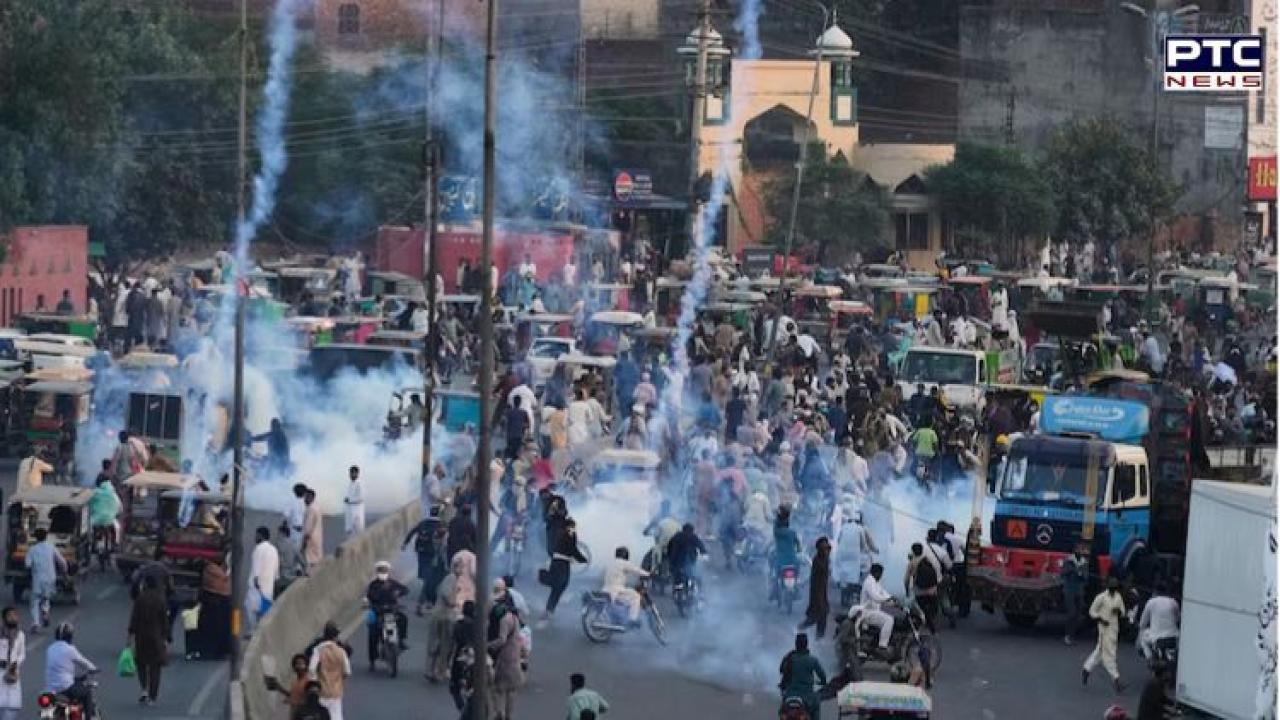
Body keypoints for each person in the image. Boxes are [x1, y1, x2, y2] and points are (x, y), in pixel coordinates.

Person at [128, 575, 170, 704]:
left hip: (141, 637)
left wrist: (129, 637)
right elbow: (164, 621)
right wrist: (167, 638)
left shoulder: (140, 599)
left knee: (141, 664)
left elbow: (134, 619)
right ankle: (153, 696)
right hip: (156, 637)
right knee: (155, 667)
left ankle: (144, 689)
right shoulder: (160, 600)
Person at [1082, 577, 1128, 692]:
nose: (1113, 590)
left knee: (1100, 651)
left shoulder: (1118, 597)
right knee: (1109, 655)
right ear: (1108, 587)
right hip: (1104, 629)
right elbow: (1092, 611)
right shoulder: (1101, 597)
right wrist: (1100, 619)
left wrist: (1118, 611)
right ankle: (1116, 680)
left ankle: (1086, 668)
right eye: (1112, 587)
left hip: (1114, 629)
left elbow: (1123, 612)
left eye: (1115, 588)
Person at [540, 519, 588, 626]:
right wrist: (582, 559)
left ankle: (549, 610)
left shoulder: (559, 533)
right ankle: (548, 610)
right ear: (568, 526)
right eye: (573, 526)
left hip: (558, 562)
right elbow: (573, 549)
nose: (574, 529)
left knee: (558, 587)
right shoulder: (569, 534)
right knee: (560, 585)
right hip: (561, 564)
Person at [43, 623, 96, 719]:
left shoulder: (50, 648)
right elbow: (83, 661)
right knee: (87, 693)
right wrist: (93, 668)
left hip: (50, 688)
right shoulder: (70, 649)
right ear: (70, 636)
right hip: (65, 687)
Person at [488, 585, 524, 720]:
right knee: (511, 690)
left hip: (505, 658)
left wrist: (487, 646)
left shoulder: (504, 619)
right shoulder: (515, 618)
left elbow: (501, 640)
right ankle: (509, 716)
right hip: (515, 657)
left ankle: (499, 713)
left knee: (498, 688)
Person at [403, 506, 447, 615]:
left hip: (421, 552)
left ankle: (426, 601)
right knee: (431, 579)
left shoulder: (423, 523)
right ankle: (424, 602)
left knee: (426, 577)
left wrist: (405, 544)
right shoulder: (441, 525)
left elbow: (412, 532)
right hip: (433, 555)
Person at [364, 560, 409, 669]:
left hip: (391, 611)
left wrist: (398, 593)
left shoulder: (393, 583)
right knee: (373, 634)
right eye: (381, 570)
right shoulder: (373, 585)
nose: (382, 572)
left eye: (384, 570)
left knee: (403, 619)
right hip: (378, 612)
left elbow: (405, 589)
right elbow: (370, 596)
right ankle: (372, 659)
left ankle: (401, 640)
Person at [778, 633, 827, 720]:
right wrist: (823, 682)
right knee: (816, 706)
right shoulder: (812, 660)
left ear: (796, 644)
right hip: (807, 697)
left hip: (789, 694)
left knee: (782, 711)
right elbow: (823, 676)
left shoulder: (789, 658)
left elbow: (782, 670)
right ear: (806, 644)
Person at [308, 623, 351, 720]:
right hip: (336, 690)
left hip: (322, 690)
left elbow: (311, 669)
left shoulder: (318, 650)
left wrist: (315, 681)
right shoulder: (341, 652)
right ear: (335, 637)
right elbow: (347, 671)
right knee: (336, 715)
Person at [24, 528, 64, 633]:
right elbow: (61, 561)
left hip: (38, 578)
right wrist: (65, 571)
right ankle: (45, 612)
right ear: (46, 537)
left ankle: (36, 623)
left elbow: (27, 565)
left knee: (35, 601)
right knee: (46, 597)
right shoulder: (51, 547)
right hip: (50, 578)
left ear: (36, 537)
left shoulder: (32, 549)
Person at [601, 547, 648, 624]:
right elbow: (636, 570)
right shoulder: (623, 563)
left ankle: (620, 617)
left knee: (627, 595)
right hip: (616, 591)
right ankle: (632, 620)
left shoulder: (609, 563)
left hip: (606, 590)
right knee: (636, 596)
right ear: (625, 555)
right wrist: (648, 574)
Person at [247, 526, 280, 636]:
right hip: (269, 587)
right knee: (264, 612)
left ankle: (253, 631)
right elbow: (276, 572)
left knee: (250, 608)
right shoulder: (274, 550)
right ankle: (261, 633)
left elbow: (256, 569)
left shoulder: (259, 549)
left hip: (257, 587)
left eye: (256, 535)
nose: (255, 537)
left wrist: (256, 582)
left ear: (261, 536)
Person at [858, 563, 894, 658]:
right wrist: (888, 599)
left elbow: (883, 593)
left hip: (874, 612)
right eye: (880, 574)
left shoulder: (876, 583)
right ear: (876, 573)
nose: (881, 576)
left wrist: (893, 600)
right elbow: (876, 597)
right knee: (889, 620)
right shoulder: (869, 582)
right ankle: (882, 646)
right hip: (867, 613)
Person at [1137, 585, 1180, 661]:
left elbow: (1142, 623)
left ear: (1155, 592)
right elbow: (1178, 619)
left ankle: (1150, 658)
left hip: (1157, 636)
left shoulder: (1151, 602)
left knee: (1142, 638)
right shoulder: (1173, 602)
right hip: (1174, 636)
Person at [801, 537, 832, 638]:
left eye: (827, 548)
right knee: (815, 617)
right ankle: (799, 630)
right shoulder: (817, 561)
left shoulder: (825, 559)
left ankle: (819, 637)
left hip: (822, 592)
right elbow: (816, 582)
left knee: (822, 615)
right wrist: (819, 599)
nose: (827, 550)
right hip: (817, 593)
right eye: (825, 548)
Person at [1061, 543, 1090, 645]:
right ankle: (1067, 636)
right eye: (1078, 549)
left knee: (1078, 614)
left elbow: (1085, 577)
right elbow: (1063, 573)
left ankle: (1071, 636)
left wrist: (1080, 574)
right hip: (1069, 590)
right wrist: (1073, 571)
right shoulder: (1068, 561)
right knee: (1072, 613)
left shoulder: (1084, 562)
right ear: (1074, 550)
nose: (1080, 551)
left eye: (1081, 549)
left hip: (1079, 591)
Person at [907, 543, 939, 634]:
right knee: (932, 607)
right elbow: (936, 573)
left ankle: (925, 625)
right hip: (932, 590)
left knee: (921, 608)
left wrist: (907, 590)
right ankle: (931, 622)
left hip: (919, 591)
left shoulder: (912, 562)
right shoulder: (929, 559)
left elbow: (906, 579)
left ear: (913, 551)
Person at [0, 607, 25, 720]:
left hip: (12, 672)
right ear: (4, 618)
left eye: (15, 615)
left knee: (12, 705)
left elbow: (22, 654)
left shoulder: (20, 635)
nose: (13, 618)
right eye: (10, 616)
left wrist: (15, 664)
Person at [665, 523, 707, 588]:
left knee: (680, 573)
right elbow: (700, 545)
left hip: (680, 559)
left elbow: (669, 546)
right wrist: (704, 553)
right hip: (684, 559)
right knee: (689, 573)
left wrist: (669, 556)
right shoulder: (691, 537)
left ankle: (679, 586)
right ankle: (682, 586)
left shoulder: (678, 536)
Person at [302, 489, 324, 574]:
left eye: (306, 497)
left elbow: (308, 528)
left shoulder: (311, 509)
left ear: (311, 497)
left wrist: (304, 542)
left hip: (311, 538)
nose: (304, 499)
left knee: (310, 559)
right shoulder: (317, 507)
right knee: (317, 557)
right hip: (317, 536)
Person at [343, 466, 365, 537]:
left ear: (357, 474)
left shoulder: (359, 484)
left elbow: (360, 498)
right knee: (350, 533)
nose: (351, 475)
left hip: (357, 512)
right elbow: (349, 497)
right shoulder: (350, 484)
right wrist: (347, 499)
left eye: (353, 473)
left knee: (358, 532)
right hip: (350, 511)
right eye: (350, 473)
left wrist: (349, 500)